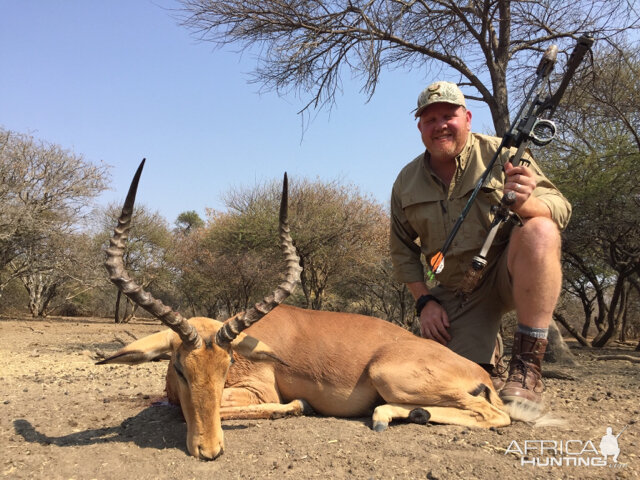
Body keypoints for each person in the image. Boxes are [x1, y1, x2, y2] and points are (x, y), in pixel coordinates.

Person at [390, 81, 571, 406]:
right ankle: (492, 361)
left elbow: (560, 208)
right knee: (444, 385)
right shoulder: (405, 181)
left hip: (507, 273)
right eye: (430, 119)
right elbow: (401, 249)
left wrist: (524, 205)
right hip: (458, 291)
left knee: (540, 231)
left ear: (468, 119)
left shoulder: (503, 154)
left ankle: (527, 369)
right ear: (419, 127)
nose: (440, 125)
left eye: (448, 115)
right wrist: (425, 303)